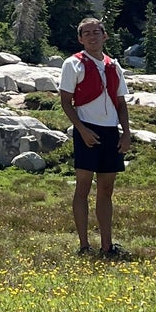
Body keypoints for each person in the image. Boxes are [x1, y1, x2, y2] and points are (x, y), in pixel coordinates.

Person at [59, 15, 133, 259]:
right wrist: (81, 130)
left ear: (105, 36)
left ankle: (106, 245)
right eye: (87, 33)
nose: (92, 36)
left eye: (96, 32)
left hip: (110, 131)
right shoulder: (73, 64)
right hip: (86, 130)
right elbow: (65, 101)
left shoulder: (114, 65)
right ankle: (83, 245)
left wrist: (126, 133)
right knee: (82, 188)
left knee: (106, 189)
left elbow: (121, 103)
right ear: (80, 39)